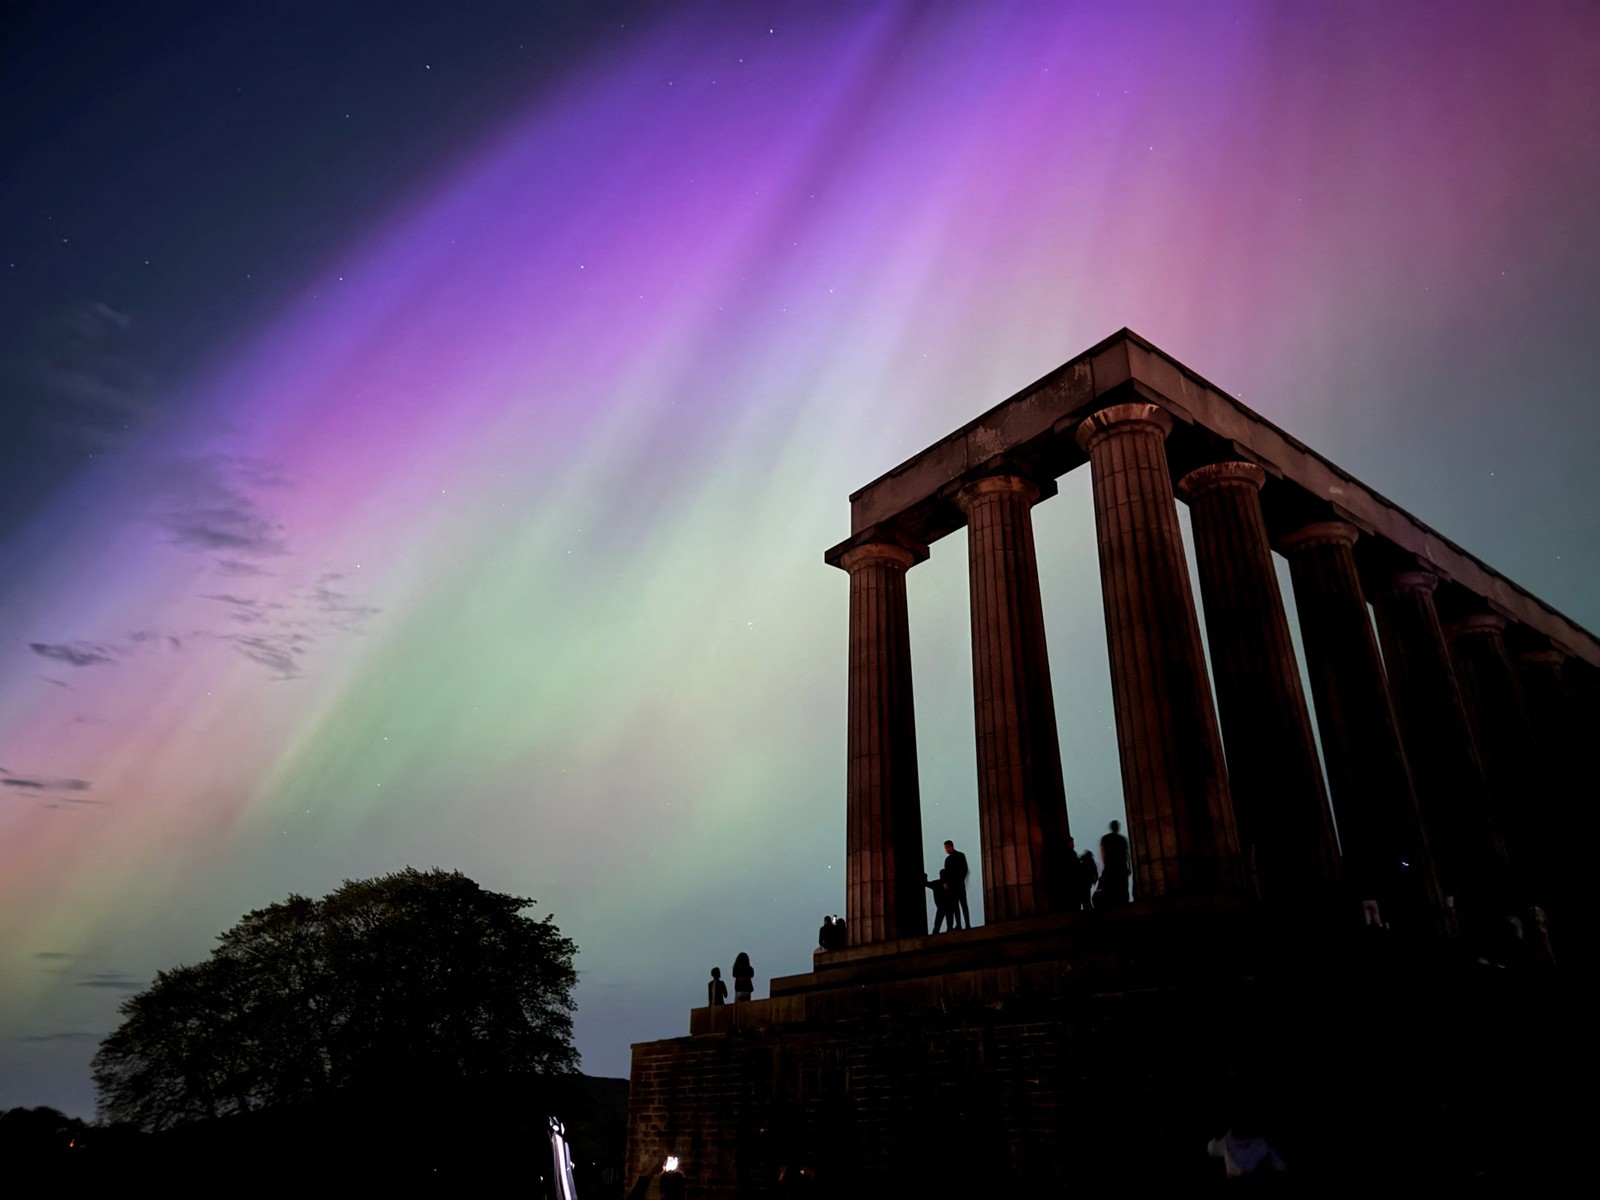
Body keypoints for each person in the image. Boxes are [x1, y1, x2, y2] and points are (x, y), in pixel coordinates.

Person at [1095, 819, 1131, 907]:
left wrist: (1105, 865)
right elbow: (1127, 855)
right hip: (1121, 867)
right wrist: (1128, 867)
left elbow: (1103, 853)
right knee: (1122, 889)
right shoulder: (1122, 839)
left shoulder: (1105, 839)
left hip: (1110, 867)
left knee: (1111, 888)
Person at [943, 839, 971, 929]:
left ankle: (962, 924)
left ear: (950, 847)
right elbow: (964, 870)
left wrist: (948, 882)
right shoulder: (959, 856)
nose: (946, 850)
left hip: (955, 885)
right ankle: (964, 924)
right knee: (961, 905)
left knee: (959, 905)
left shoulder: (950, 859)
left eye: (946, 848)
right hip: (957, 884)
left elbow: (963, 870)